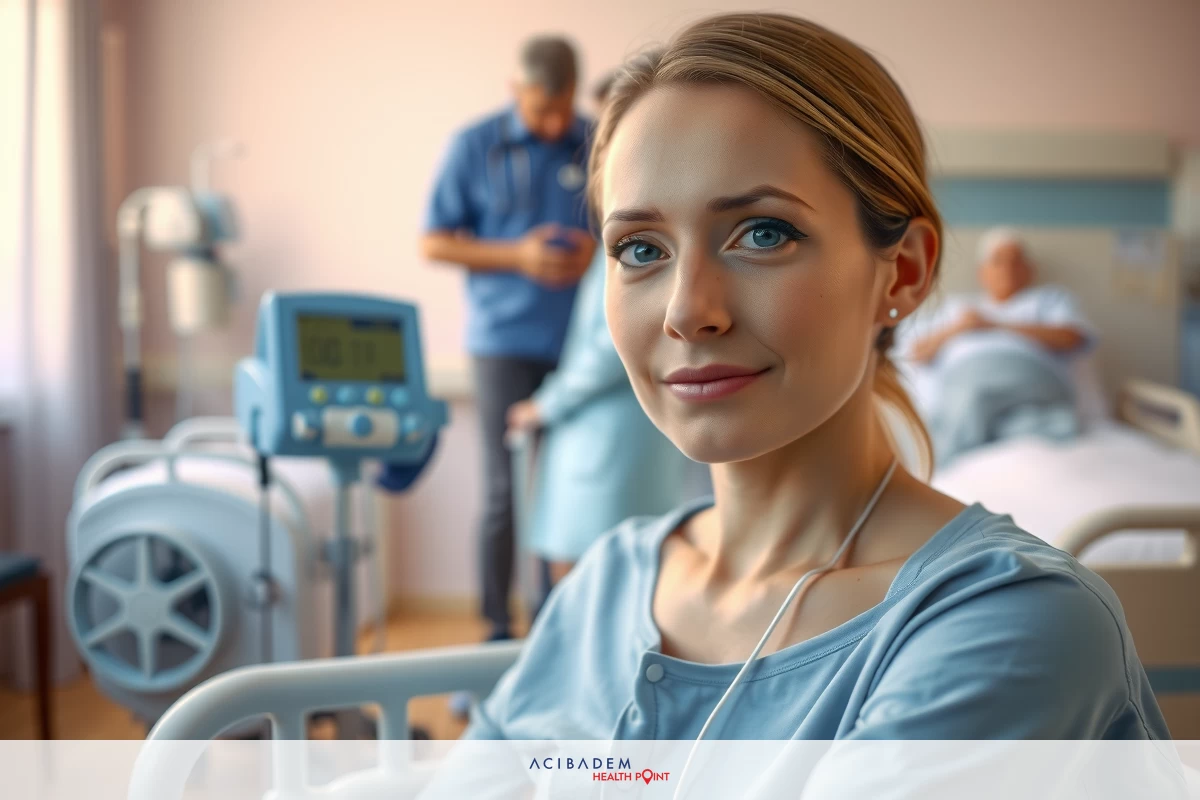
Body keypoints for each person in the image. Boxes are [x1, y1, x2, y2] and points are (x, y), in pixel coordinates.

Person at [456, 12, 1167, 744]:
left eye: (763, 233)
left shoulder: (1011, 623)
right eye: (639, 249)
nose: (686, 312)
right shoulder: (606, 584)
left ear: (906, 270)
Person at [504, 73, 712, 598]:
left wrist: (544, 405)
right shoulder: (628, 227)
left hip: (609, 432)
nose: (601, 140)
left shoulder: (647, 232)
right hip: (613, 431)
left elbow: (610, 348)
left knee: (587, 584)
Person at [421, 36, 595, 644]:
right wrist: (516, 256)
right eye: (541, 109)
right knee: (503, 492)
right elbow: (434, 241)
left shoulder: (597, 140)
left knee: (568, 488)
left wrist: (594, 254)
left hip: (581, 349)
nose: (553, 123)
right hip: (502, 344)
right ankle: (497, 629)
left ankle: (556, 627)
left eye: (563, 109)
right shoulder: (474, 146)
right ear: (514, 90)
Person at [898, 229, 1097, 464]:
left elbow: (1072, 338)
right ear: (982, 272)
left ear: (1030, 270)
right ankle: (1035, 428)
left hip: (1032, 379)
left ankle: (940, 467)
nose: (1008, 269)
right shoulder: (958, 308)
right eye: (998, 261)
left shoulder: (1049, 300)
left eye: (1016, 261)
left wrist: (995, 324)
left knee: (975, 399)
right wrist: (958, 328)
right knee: (977, 402)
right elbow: (915, 354)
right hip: (967, 380)